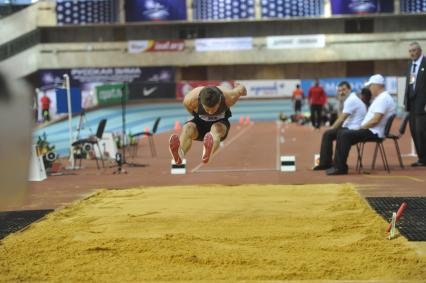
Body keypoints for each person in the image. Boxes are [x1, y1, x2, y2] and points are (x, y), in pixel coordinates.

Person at [326, 74, 395, 175]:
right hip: (372, 130)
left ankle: (340, 168)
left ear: (376, 85)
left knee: (345, 135)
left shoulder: (383, 99)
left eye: (370, 86)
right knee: (342, 133)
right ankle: (337, 166)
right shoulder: (382, 98)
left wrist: (360, 127)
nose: (369, 89)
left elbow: (375, 120)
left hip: (374, 132)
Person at [169, 84, 247, 165]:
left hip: (220, 123)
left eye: (213, 109)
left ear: (219, 101)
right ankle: (179, 155)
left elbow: (241, 89)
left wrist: (242, 89)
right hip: (200, 122)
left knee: (216, 129)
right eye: (207, 109)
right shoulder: (190, 100)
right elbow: (191, 111)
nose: (210, 112)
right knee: (187, 128)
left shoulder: (229, 97)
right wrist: (194, 121)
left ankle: (208, 153)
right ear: (201, 103)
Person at [313, 81, 366, 170]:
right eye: (339, 90)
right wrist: (340, 103)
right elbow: (340, 116)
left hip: (355, 129)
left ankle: (329, 163)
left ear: (349, 89)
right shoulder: (347, 100)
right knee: (329, 134)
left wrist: (331, 128)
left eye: (344, 90)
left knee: (328, 133)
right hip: (349, 127)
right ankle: (325, 163)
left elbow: (341, 119)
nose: (341, 92)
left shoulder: (351, 100)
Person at [403, 42, 426, 167]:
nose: (411, 53)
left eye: (414, 50)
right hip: (412, 103)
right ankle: (422, 158)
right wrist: (406, 101)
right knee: (414, 131)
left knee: (422, 131)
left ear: (420, 50)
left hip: (423, 103)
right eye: (410, 51)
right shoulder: (410, 64)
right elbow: (410, 84)